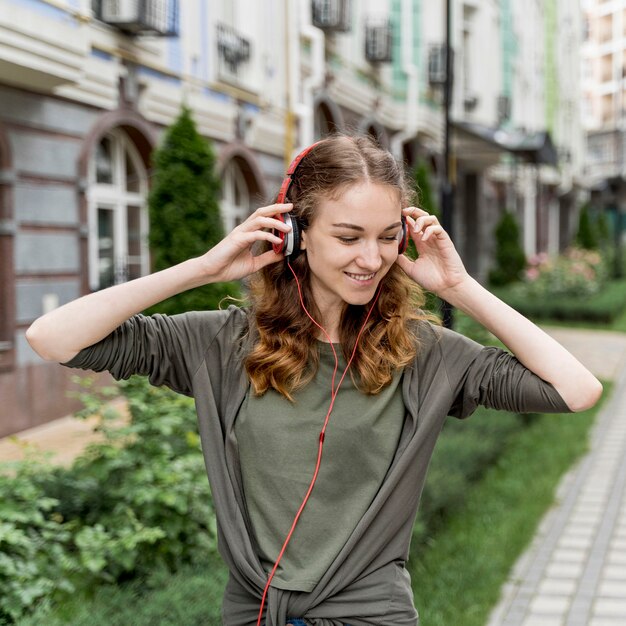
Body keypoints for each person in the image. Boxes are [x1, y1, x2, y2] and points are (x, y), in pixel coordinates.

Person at [26, 134, 602, 626]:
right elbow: (52, 337)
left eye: (386, 237)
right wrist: (202, 269)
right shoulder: (222, 344)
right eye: (348, 237)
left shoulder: (424, 354)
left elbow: (577, 390)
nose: (371, 259)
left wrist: (459, 289)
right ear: (295, 236)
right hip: (253, 613)